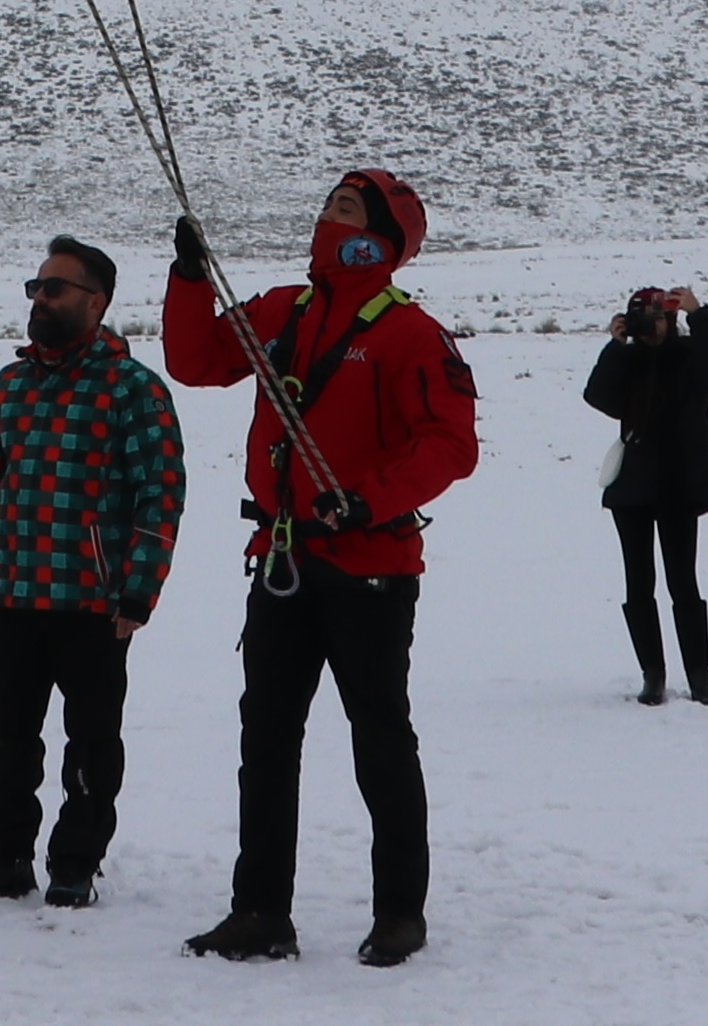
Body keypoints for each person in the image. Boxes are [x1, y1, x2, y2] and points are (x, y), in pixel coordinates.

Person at [163, 171, 480, 969]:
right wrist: (190, 280)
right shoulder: (283, 312)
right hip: (283, 557)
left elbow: (449, 445)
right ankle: (261, 910)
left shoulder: (411, 334)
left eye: (346, 207)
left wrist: (366, 502)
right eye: (330, 203)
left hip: (369, 568)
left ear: (381, 233)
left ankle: (400, 913)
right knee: (266, 739)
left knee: (379, 739)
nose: (326, 214)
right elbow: (195, 360)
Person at [0, 233, 185, 907]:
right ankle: (0, 858)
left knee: (92, 746)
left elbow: (159, 496)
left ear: (96, 301)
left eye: (55, 288)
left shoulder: (133, 389)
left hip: (94, 606)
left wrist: (138, 590)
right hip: (16, 600)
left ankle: (76, 861)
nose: (40, 298)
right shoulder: (11, 385)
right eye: (35, 287)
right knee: (7, 743)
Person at [582, 283, 708, 707]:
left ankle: (699, 676)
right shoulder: (628, 363)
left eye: (660, 317)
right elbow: (599, 397)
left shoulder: (689, 361)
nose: (654, 326)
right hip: (633, 488)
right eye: (645, 318)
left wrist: (699, 315)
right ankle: (653, 675)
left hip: (680, 484)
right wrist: (615, 345)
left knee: (684, 582)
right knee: (638, 583)